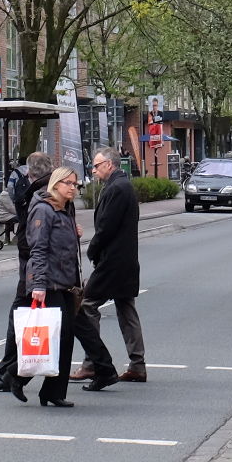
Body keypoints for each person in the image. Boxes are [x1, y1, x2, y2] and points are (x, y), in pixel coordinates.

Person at [0, 153, 54, 393]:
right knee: (73, 320)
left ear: (30, 174)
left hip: (35, 269)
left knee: (19, 316)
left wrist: (36, 278)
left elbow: (37, 239)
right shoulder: (52, 190)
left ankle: (6, 375)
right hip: (46, 269)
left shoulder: (39, 196)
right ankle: (101, 365)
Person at [7, 166, 83, 407]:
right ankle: (16, 375)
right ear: (55, 185)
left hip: (64, 282)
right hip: (48, 282)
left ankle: (53, 392)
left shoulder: (64, 210)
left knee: (65, 337)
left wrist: (75, 233)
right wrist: (38, 285)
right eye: (68, 183)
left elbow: (63, 245)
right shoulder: (43, 210)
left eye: (75, 184)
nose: (73, 187)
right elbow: (37, 250)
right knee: (52, 337)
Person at [70, 146, 146, 385]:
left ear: (109, 165)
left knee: (87, 306)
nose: (93, 170)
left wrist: (92, 249)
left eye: (96, 165)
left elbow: (106, 227)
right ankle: (137, 365)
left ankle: (93, 363)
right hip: (124, 261)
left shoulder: (116, 188)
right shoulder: (120, 186)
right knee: (126, 309)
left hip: (112, 261)